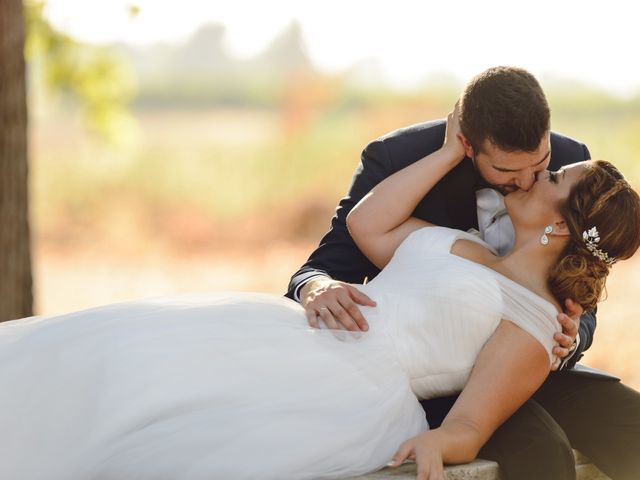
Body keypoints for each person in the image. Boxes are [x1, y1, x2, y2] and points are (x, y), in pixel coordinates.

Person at [1, 110, 639, 480]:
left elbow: (474, 418)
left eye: (547, 171)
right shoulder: (420, 182)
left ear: (559, 222)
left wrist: (562, 341)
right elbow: (354, 237)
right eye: (515, 168)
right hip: (316, 337)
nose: (533, 175)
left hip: (385, 382)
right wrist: (449, 155)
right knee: (128, 363)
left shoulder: (536, 299)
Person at [287, 66, 640, 480]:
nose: (529, 180)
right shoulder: (398, 157)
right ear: (469, 146)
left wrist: (569, 336)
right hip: (419, 362)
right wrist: (316, 286)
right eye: (508, 172)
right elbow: (332, 260)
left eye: (542, 164)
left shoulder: (573, 166)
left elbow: (584, 283)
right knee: (540, 447)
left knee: (632, 426)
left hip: (523, 354)